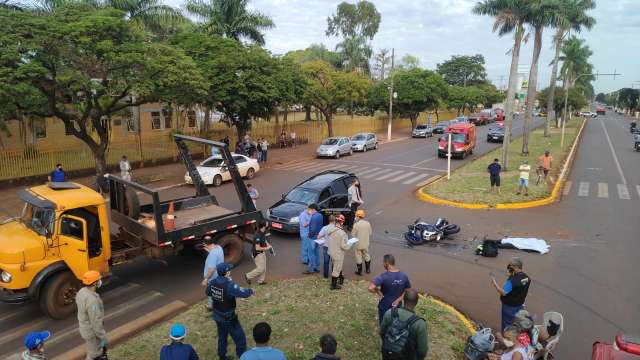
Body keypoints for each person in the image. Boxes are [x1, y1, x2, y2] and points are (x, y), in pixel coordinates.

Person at [206, 262, 254, 360]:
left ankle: (222, 356)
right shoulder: (229, 285)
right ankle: (242, 356)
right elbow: (242, 293)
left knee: (222, 336)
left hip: (217, 314)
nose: (230, 271)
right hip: (228, 317)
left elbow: (207, 292)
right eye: (229, 270)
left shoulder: (213, 282)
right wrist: (251, 291)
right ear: (227, 273)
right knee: (240, 338)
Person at [380, 289, 428, 360]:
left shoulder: (389, 313)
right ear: (416, 303)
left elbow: (382, 332)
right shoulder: (419, 324)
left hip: (388, 353)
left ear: (403, 300)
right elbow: (422, 350)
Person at [368, 254, 412, 325]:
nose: (383, 264)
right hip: (397, 306)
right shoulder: (403, 276)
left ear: (387, 263)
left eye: (383, 262)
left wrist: (378, 291)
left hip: (384, 305)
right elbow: (408, 289)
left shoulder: (383, 276)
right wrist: (399, 299)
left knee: (383, 323)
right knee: (394, 323)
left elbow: (370, 288)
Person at [491, 257, 531, 331]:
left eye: (510, 266)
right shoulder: (527, 278)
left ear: (516, 267)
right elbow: (521, 288)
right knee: (516, 323)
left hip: (509, 306)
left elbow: (503, 292)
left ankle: (506, 340)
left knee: (507, 325)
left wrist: (494, 283)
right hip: (520, 305)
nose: (509, 267)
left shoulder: (512, 281)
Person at [76, 270, 108, 360]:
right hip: (92, 333)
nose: (100, 281)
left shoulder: (81, 292)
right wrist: (103, 337)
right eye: (98, 280)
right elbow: (95, 322)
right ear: (94, 283)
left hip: (85, 328)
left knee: (92, 352)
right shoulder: (92, 301)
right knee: (95, 355)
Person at [202, 236, 225, 311]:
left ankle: (211, 306)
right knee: (217, 290)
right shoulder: (218, 247)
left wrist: (206, 279)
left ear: (205, 244)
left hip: (212, 277)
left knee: (211, 291)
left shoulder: (212, 254)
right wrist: (208, 250)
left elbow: (211, 269)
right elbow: (216, 255)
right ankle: (212, 305)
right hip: (219, 274)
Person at [327, 214, 350, 290]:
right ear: (342, 222)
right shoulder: (342, 233)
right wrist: (349, 244)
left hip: (331, 252)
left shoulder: (330, 229)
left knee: (335, 266)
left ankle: (340, 279)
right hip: (338, 253)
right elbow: (344, 246)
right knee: (337, 269)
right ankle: (333, 285)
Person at [303, 204, 323, 274]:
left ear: (313, 209)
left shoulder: (314, 217)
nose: (308, 211)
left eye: (309, 209)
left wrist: (309, 235)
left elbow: (313, 229)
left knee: (311, 254)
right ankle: (317, 267)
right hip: (318, 237)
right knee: (316, 252)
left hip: (312, 238)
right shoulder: (320, 215)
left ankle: (310, 269)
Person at [351, 209, 372, 276]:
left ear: (358, 216)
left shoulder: (356, 225)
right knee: (366, 255)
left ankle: (359, 272)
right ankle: (368, 269)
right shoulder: (368, 223)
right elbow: (370, 233)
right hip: (366, 243)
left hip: (358, 244)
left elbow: (353, 235)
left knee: (358, 257)